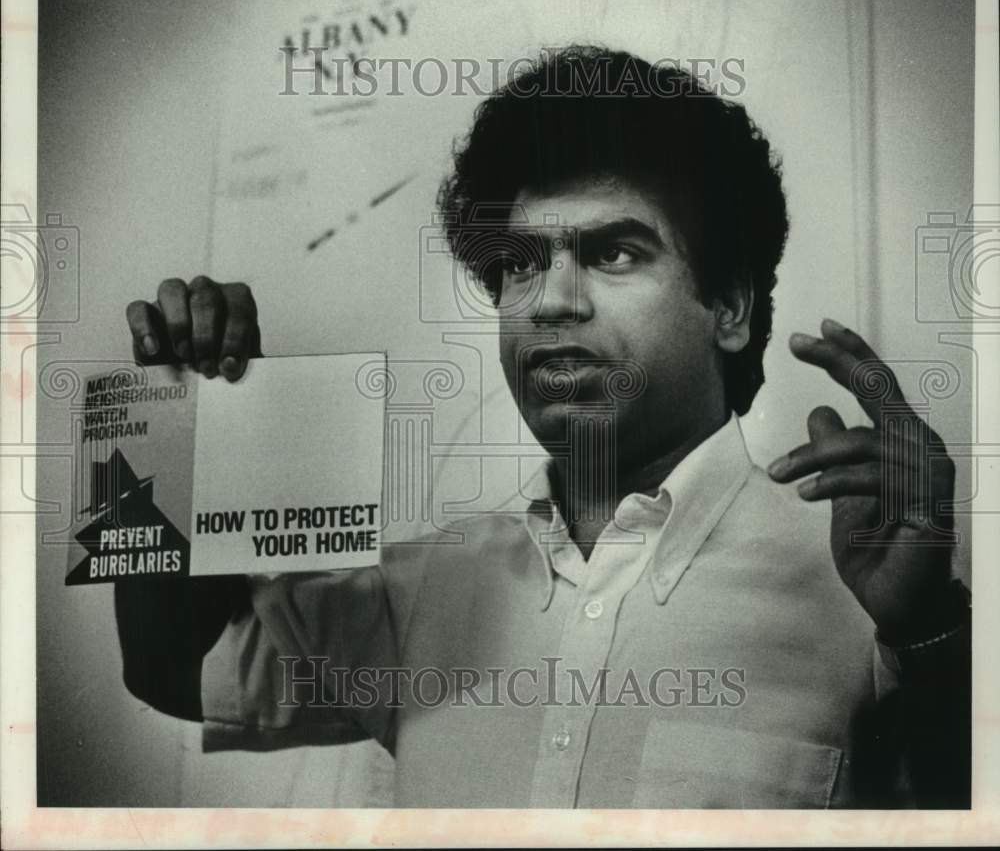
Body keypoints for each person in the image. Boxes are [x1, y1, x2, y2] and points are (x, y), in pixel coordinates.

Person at [117, 46, 970, 809]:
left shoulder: (871, 590)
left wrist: (929, 635)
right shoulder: (423, 591)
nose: (552, 300)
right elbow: (172, 672)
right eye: (519, 263)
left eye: (616, 253)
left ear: (732, 307)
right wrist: (188, 418)